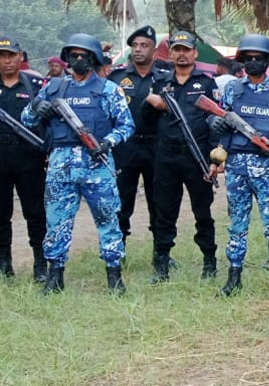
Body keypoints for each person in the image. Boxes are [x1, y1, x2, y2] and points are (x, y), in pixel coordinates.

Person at [24, 34, 134, 294]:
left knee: (108, 220)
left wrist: (107, 143)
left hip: (97, 163)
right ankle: (55, 277)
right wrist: (38, 107)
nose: (78, 59)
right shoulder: (53, 88)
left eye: (84, 55)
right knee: (56, 222)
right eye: (74, 55)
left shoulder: (108, 90)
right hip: (60, 164)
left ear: (94, 58)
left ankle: (114, 276)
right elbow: (26, 118)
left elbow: (127, 125)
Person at [211, 34, 269, 299]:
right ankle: (233, 278)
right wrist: (216, 126)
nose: (252, 63)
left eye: (258, 58)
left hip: (268, 168)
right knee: (237, 225)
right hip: (237, 167)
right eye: (247, 59)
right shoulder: (233, 90)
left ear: (268, 61)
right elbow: (221, 117)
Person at [144, 31, 219, 282]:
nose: (182, 54)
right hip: (166, 157)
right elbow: (146, 121)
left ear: (195, 53)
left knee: (203, 212)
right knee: (164, 212)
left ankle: (209, 261)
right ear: (171, 53)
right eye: (177, 49)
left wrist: (214, 160)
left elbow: (216, 123)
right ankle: (161, 264)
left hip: (196, 156)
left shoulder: (207, 83)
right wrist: (150, 101)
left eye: (186, 49)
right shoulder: (162, 83)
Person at [108, 25, 168, 259]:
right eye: (135, 45)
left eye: (144, 45)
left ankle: (160, 254)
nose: (138, 50)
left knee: (159, 202)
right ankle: (117, 252)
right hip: (126, 147)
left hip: (157, 146)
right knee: (122, 202)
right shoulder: (116, 78)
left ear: (154, 50)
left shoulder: (165, 78)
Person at [0, 35, 48, 282]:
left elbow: (50, 119)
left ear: (21, 57)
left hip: (30, 158)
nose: (6, 61)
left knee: (35, 212)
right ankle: (4, 264)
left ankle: (40, 263)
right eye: (2, 57)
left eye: (11, 56)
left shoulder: (36, 84)